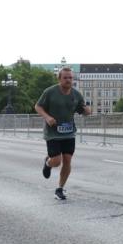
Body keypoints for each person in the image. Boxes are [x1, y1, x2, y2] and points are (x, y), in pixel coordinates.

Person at [35, 67, 91, 201]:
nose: (68, 80)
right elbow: (38, 106)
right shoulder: (50, 92)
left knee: (67, 161)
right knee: (56, 161)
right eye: (65, 78)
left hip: (69, 132)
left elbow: (82, 109)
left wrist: (87, 111)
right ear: (59, 79)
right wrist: (47, 117)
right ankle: (48, 163)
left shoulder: (76, 95)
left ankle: (60, 189)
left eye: (70, 78)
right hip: (53, 132)